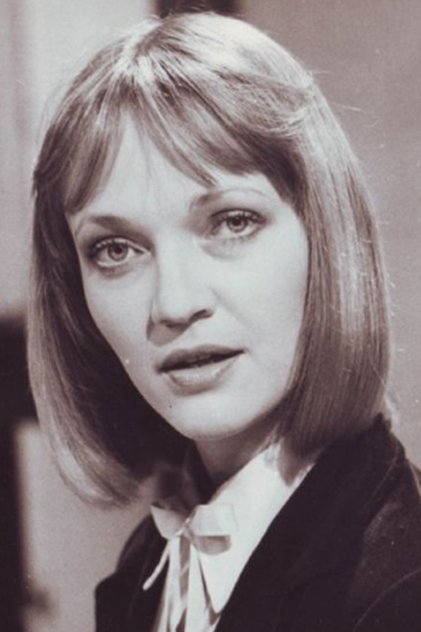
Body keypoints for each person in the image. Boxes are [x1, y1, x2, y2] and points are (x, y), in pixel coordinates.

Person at [27, 10, 421, 632]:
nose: (174, 302)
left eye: (232, 222)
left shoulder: (399, 592)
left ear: (324, 236)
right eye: (115, 249)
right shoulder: (147, 568)